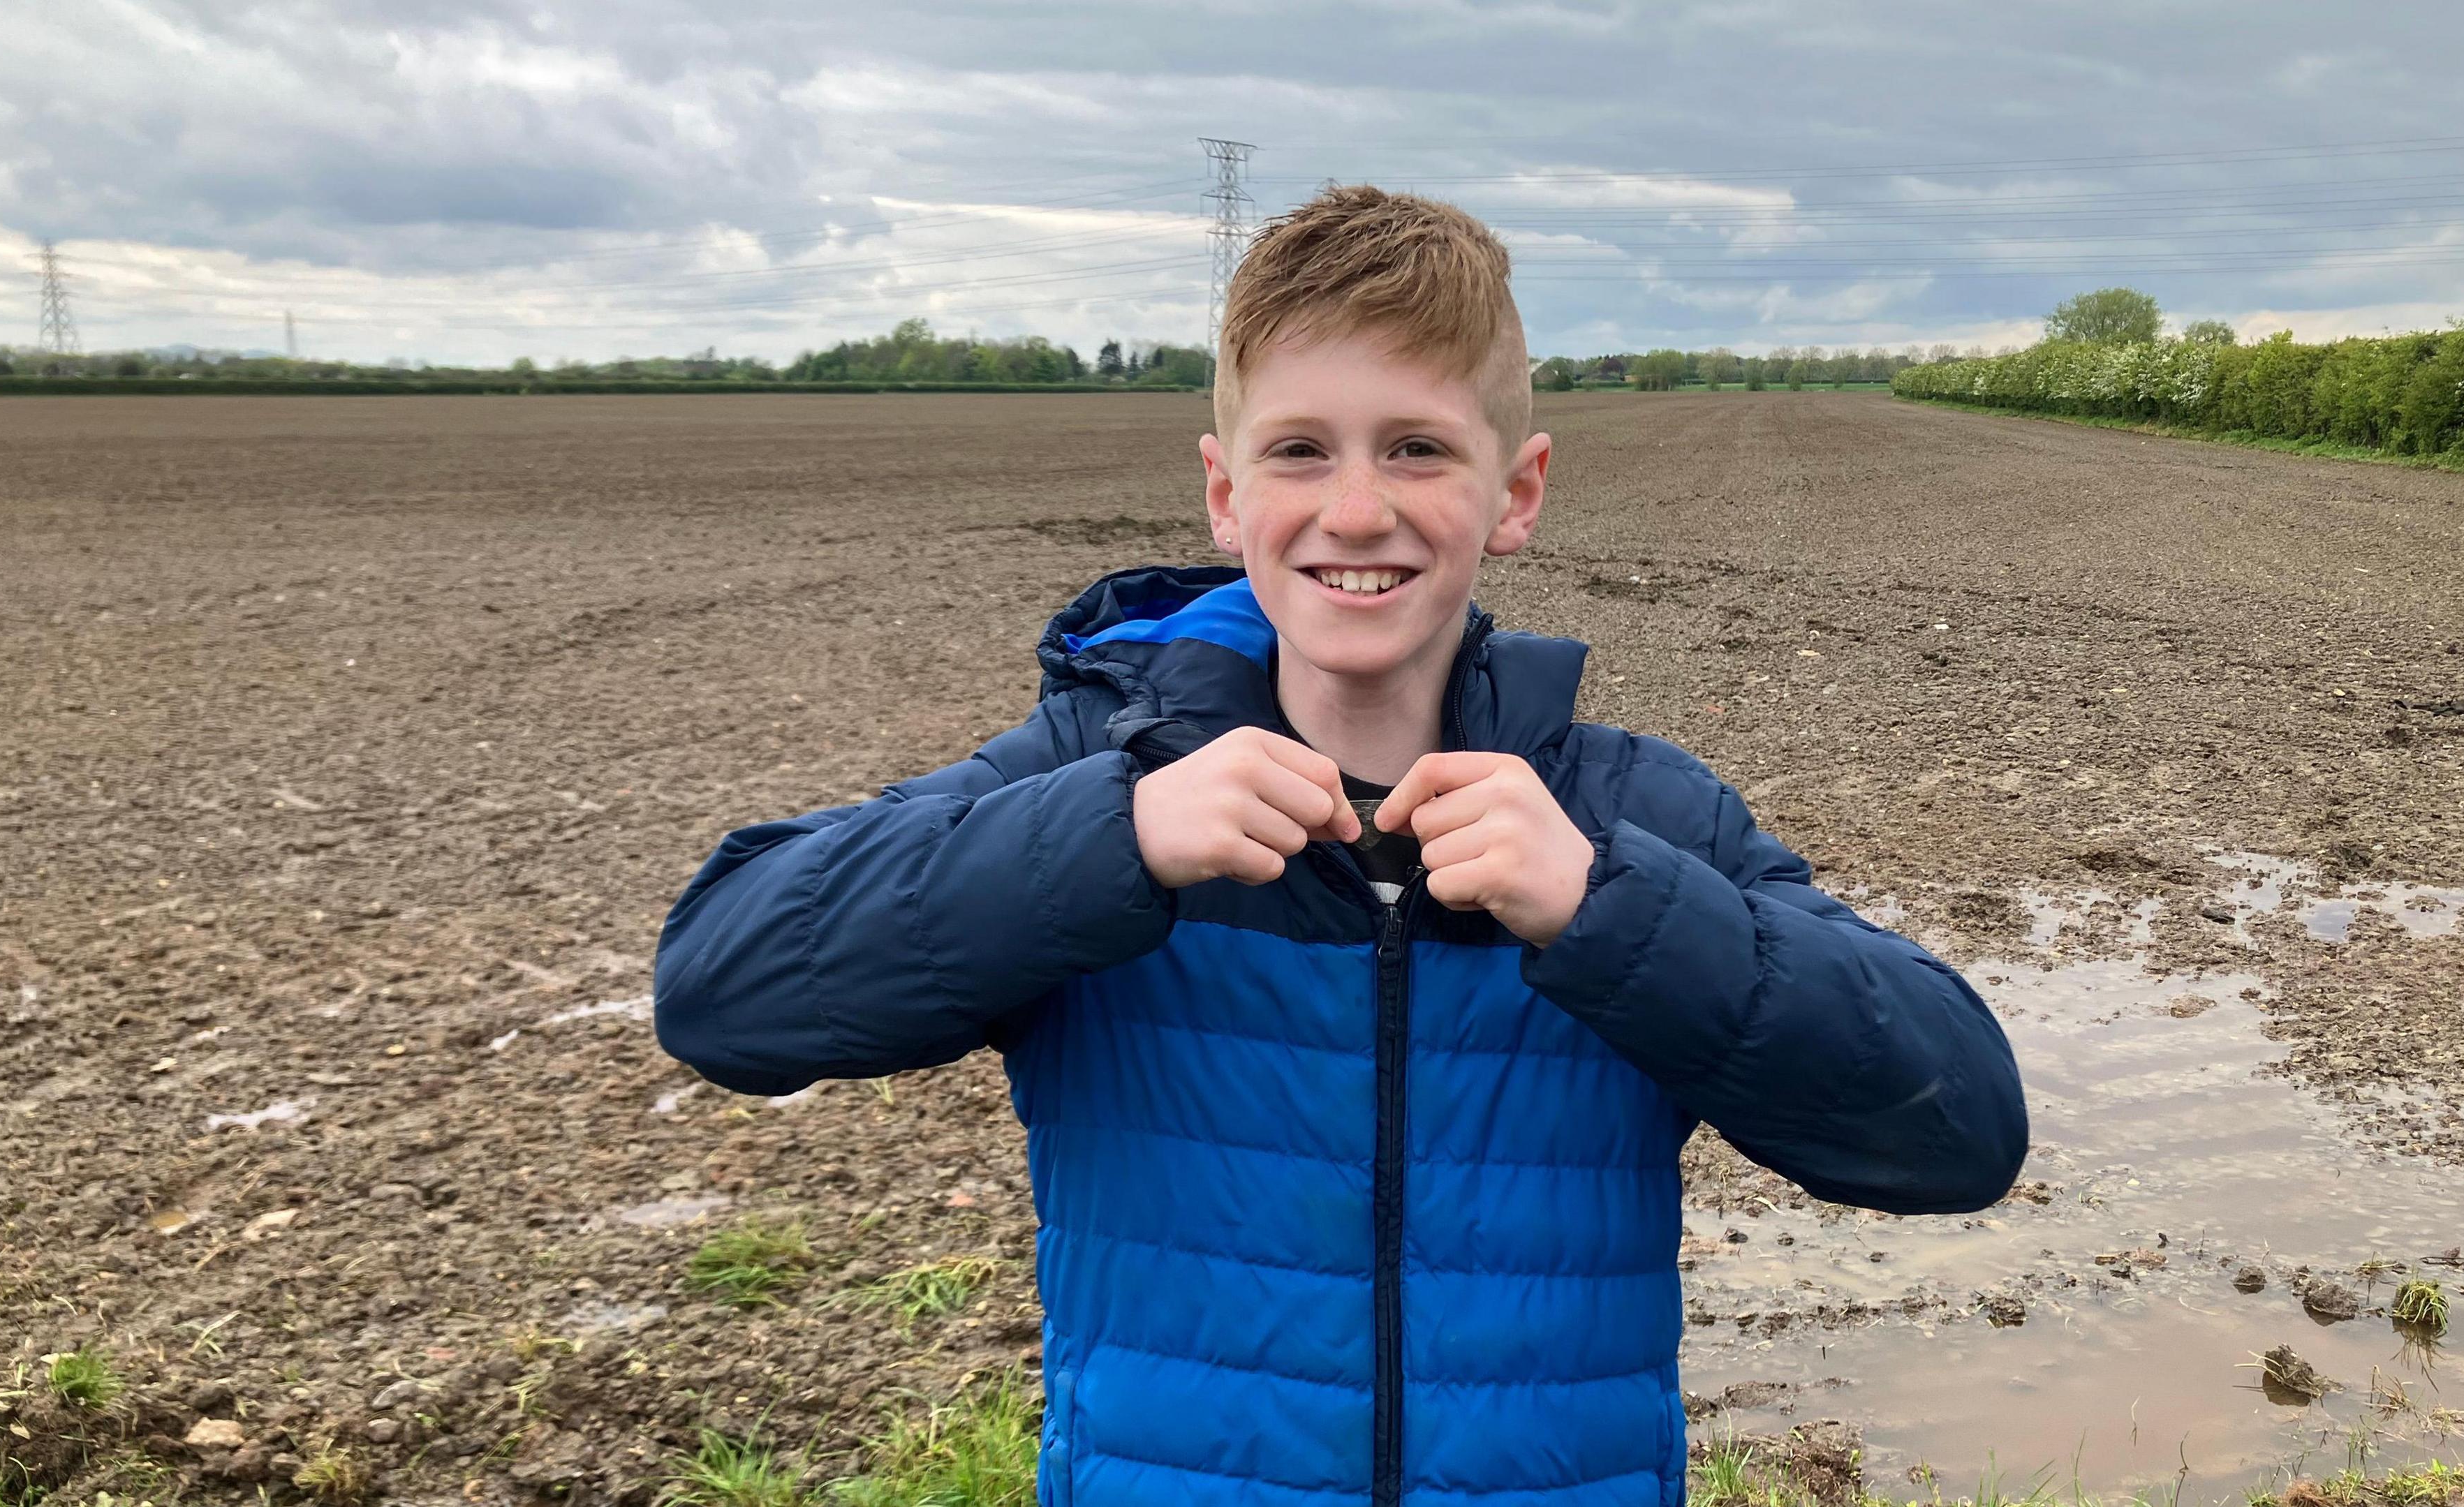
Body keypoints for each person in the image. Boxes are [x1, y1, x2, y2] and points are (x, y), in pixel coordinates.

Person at [654, 185, 2026, 1507]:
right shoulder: (1094, 778)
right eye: (1300, 449)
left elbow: (1957, 1131)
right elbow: (722, 985)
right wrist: (1112, 839)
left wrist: (1605, 909)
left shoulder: (1629, 820)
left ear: (1517, 489)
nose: (1357, 510)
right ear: (1223, 494)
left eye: (1418, 448)